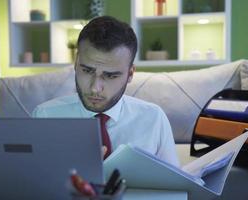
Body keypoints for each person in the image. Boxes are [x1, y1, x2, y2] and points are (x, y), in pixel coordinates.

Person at [32, 16, 179, 167]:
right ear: (76, 63)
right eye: (87, 70)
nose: (95, 88)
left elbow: (176, 187)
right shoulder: (45, 116)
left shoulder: (153, 118)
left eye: (110, 76)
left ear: (130, 74)